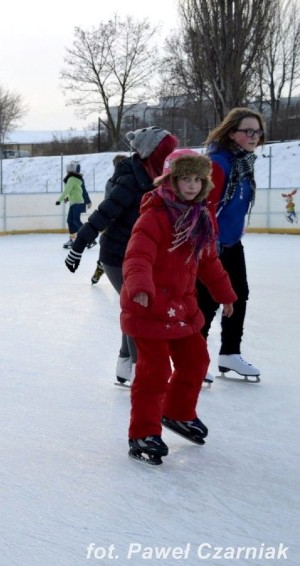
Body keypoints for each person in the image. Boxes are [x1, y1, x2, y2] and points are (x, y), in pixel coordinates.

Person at [122, 149, 236, 464]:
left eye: (198, 179)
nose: (191, 185)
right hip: (149, 308)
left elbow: (209, 262)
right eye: (185, 178)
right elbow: (137, 255)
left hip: (182, 309)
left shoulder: (200, 218)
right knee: (155, 372)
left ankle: (178, 413)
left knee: (197, 360)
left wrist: (225, 294)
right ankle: (143, 432)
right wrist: (140, 286)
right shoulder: (155, 215)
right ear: (171, 179)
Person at [64, 127, 178, 385]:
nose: (172, 155)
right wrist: (79, 244)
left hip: (143, 256)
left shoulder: (160, 176)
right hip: (117, 256)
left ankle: (124, 365)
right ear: (153, 153)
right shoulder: (131, 179)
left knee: (135, 309)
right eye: (167, 150)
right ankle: (142, 370)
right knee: (140, 311)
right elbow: (105, 212)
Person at [197, 107, 265, 383]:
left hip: (231, 243)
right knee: (207, 301)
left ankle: (229, 353)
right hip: (211, 245)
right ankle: (193, 358)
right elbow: (207, 208)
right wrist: (210, 246)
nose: (254, 136)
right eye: (247, 131)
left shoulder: (243, 163)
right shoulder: (219, 163)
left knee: (239, 294)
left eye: (258, 131)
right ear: (231, 132)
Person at [90, 154, 128, 285]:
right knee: (111, 250)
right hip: (116, 222)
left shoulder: (117, 181)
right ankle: (101, 268)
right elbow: (110, 203)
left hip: (121, 222)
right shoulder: (113, 182)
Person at [56, 161, 89, 248]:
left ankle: (90, 239)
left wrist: (60, 200)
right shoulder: (74, 178)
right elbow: (75, 190)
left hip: (77, 202)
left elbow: (67, 190)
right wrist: (68, 198)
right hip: (74, 202)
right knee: (70, 221)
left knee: (76, 221)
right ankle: (72, 239)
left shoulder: (71, 179)